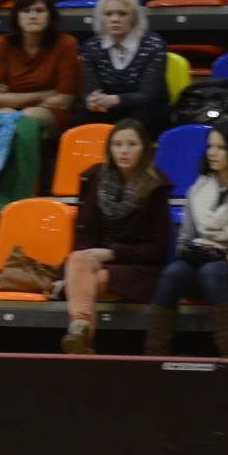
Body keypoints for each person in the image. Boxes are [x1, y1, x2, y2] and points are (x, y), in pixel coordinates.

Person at [56, 118, 172, 354]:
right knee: (78, 259)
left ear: (144, 149)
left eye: (131, 144)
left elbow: (158, 250)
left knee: (88, 282)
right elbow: (84, 238)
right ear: (109, 148)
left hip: (138, 269)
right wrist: (63, 274)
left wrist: (113, 253)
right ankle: (80, 331)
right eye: (117, 144)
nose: (124, 151)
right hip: (92, 263)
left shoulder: (155, 186)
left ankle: (80, 332)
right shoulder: (96, 178)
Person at [144, 120, 228, 357]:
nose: (212, 153)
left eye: (221, 147)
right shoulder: (198, 188)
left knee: (211, 272)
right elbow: (185, 238)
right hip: (204, 264)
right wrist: (193, 248)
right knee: (173, 272)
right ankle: (154, 355)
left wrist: (221, 252)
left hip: (220, 269)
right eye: (210, 146)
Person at [0, 0, 81, 140]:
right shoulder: (2, 44)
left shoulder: (66, 43)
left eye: (39, 10)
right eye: (26, 11)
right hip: (14, 112)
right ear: (17, 16)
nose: (32, 16)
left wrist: (12, 98)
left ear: (50, 15)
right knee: (3, 115)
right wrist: (47, 94)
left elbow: (65, 101)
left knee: (29, 117)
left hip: (53, 115)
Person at [79, 0, 168, 137]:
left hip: (147, 110)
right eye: (108, 14)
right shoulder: (91, 47)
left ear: (133, 18)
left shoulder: (154, 46)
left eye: (122, 14)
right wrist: (92, 100)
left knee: (137, 120)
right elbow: (90, 89)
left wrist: (115, 100)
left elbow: (148, 95)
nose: (115, 19)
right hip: (108, 109)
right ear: (101, 18)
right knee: (83, 118)